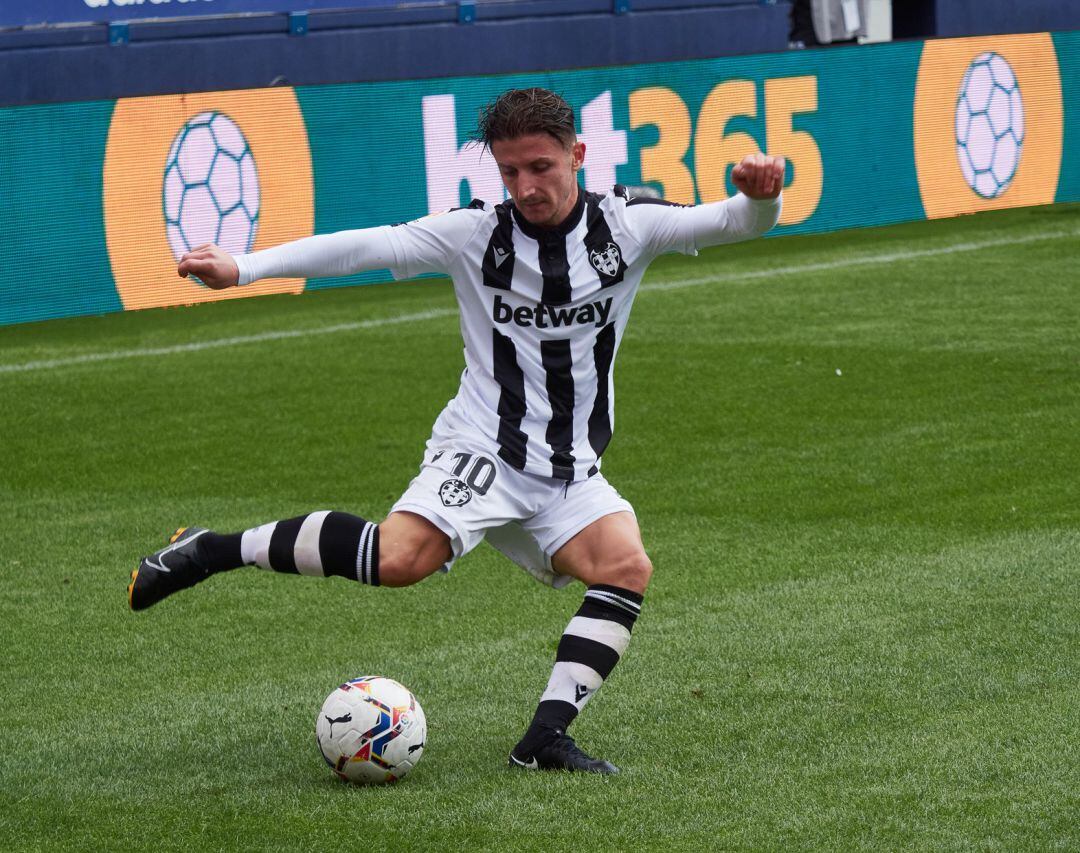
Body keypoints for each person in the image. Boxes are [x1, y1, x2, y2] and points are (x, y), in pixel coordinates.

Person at [129, 87, 784, 774]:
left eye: (540, 167)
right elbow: (369, 246)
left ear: (577, 155)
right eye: (510, 172)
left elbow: (739, 222)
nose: (525, 187)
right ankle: (210, 550)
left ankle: (543, 740)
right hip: (485, 449)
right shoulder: (477, 234)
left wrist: (762, 194)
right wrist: (245, 268)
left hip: (569, 469)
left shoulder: (629, 223)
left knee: (625, 565)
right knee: (398, 561)